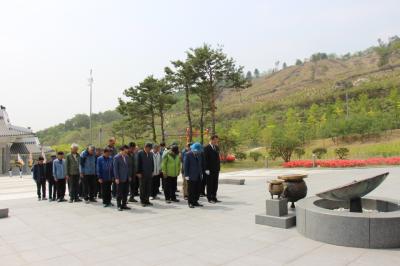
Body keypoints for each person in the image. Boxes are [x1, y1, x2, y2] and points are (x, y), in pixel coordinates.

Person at [184, 142, 204, 208]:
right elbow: (186, 166)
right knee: (191, 190)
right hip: (191, 175)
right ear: (193, 149)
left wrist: (201, 173)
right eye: (196, 151)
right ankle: (190, 202)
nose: (197, 152)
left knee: (197, 189)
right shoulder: (188, 154)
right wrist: (186, 175)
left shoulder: (199, 154)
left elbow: (200, 165)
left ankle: (195, 201)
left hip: (198, 175)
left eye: (198, 151)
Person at [204, 135, 221, 204]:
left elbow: (217, 158)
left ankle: (214, 197)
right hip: (209, 170)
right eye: (215, 140)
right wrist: (206, 169)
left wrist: (218, 167)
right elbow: (205, 159)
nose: (216, 141)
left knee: (215, 184)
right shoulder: (206, 148)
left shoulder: (216, 147)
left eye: (217, 140)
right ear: (211, 140)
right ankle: (209, 198)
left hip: (216, 169)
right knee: (210, 184)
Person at [113, 145, 131, 211]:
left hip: (126, 178)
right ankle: (119, 205)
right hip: (120, 178)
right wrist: (116, 178)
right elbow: (115, 169)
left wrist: (129, 176)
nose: (126, 153)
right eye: (125, 151)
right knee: (119, 193)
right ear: (121, 150)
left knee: (125, 192)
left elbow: (128, 167)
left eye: (127, 152)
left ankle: (124, 204)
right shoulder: (116, 157)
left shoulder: (127, 157)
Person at [137, 142, 154, 207]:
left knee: (148, 187)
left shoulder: (150, 154)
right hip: (142, 174)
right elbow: (138, 163)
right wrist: (138, 172)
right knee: (142, 188)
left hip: (149, 173)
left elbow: (152, 163)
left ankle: (147, 200)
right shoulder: (140, 153)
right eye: (149, 148)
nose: (150, 150)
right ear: (146, 147)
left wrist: (152, 171)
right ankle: (142, 201)